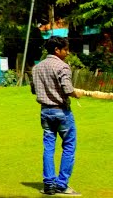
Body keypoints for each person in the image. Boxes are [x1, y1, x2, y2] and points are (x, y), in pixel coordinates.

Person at [31, 37, 81, 195]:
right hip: (61, 112)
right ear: (57, 50)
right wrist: (77, 93)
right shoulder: (63, 67)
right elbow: (67, 89)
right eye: (65, 49)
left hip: (45, 111)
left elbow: (34, 90)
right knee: (69, 147)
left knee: (49, 148)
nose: (68, 52)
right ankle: (61, 185)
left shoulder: (36, 68)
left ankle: (49, 185)